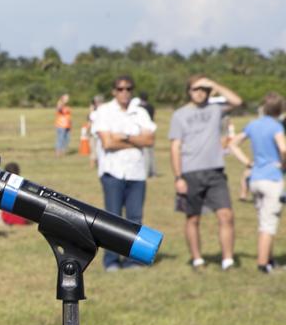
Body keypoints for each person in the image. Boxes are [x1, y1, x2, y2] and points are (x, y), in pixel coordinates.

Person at [170, 75, 243, 269]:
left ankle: (228, 260)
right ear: (188, 91)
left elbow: (237, 101)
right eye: (195, 89)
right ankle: (197, 259)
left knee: (226, 215)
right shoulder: (180, 115)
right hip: (190, 172)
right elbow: (175, 147)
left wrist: (214, 84)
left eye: (203, 89)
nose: (200, 92)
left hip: (215, 172)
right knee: (193, 218)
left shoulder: (215, 109)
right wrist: (178, 177)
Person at [93, 75, 155, 270]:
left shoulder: (141, 112)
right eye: (120, 89)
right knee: (112, 218)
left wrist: (124, 136)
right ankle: (111, 260)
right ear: (114, 91)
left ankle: (133, 259)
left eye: (128, 89)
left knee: (135, 218)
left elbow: (150, 140)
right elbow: (107, 143)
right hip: (113, 172)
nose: (125, 92)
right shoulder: (104, 111)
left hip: (136, 172)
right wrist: (136, 139)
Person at [229, 92, 286, 272]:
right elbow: (283, 148)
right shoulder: (277, 127)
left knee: (263, 220)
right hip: (272, 179)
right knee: (269, 224)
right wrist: (283, 164)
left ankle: (269, 260)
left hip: (255, 179)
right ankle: (263, 265)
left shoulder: (253, 124)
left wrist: (247, 162)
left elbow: (232, 144)